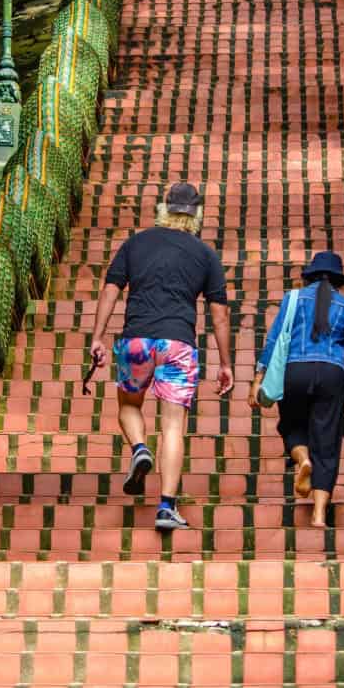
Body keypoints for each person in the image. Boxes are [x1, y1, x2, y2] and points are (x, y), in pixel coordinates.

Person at [86, 182, 236, 532]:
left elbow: (110, 291)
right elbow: (220, 315)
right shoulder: (204, 255)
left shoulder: (135, 243)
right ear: (197, 214)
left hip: (136, 342)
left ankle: (139, 448)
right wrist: (226, 363)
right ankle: (167, 507)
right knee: (172, 426)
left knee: (128, 405)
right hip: (178, 345)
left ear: (163, 209)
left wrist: (97, 337)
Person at [251, 252, 344, 528]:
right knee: (327, 443)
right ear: (338, 281)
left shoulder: (292, 300)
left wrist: (258, 377)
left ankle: (302, 459)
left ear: (310, 276)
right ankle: (319, 514)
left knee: (291, 424)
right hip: (331, 374)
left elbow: (274, 339)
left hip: (295, 371)